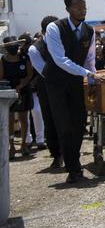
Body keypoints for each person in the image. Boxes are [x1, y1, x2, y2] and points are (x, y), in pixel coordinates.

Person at [43, 0, 105, 183]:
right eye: (78, 8)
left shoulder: (89, 31)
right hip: (56, 82)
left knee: (79, 124)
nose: (82, 11)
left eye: (84, 7)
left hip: (76, 82)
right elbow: (60, 59)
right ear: (68, 9)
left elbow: (89, 60)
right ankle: (74, 168)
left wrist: (92, 80)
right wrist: (89, 75)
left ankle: (74, 163)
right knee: (64, 125)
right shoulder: (54, 28)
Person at [29, 16, 63, 168]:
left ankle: (69, 153)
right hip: (48, 88)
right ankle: (56, 154)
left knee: (68, 122)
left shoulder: (62, 41)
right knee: (50, 121)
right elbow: (44, 71)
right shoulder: (35, 48)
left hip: (66, 85)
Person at [1, 36, 34, 159]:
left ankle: (24, 144)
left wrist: (22, 85)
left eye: (15, 46)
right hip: (9, 92)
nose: (13, 48)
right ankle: (11, 146)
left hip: (24, 90)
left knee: (24, 118)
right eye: (11, 47)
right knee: (9, 119)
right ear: (7, 48)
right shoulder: (3, 60)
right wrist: (12, 88)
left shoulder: (25, 57)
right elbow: (1, 77)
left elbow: (30, 73)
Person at [20, 33, 46, 151]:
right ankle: (28, 140)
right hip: (23, 90)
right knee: (24, 117)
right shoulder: (20, 56)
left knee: (37, 112)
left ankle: (40, 140)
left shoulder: (34, 52)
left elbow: (39, 69)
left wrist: (33, 81)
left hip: (35, 89)